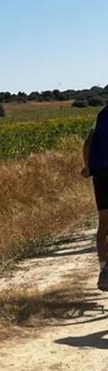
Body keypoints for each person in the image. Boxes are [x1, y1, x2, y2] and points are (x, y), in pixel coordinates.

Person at [83, 103, 108, 291]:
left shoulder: (100, 117)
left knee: (104, 223)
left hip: (101, 174)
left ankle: (104, 270)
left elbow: (88, 143)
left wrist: (87, 167)